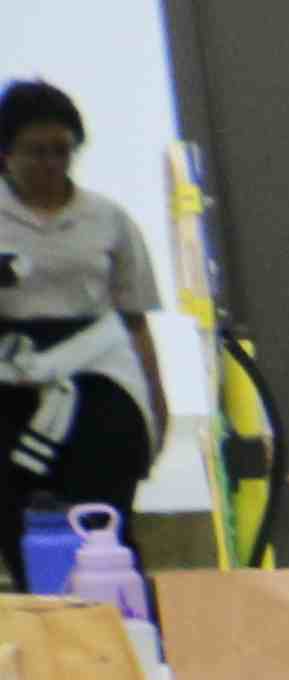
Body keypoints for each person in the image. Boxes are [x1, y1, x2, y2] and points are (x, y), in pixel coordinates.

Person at [0, 81, 170, 568]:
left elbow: (135, 319)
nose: (50, 163)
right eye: (35, 151)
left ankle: (124, 630)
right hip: (13, 378)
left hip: (99, 377)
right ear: (6, 152)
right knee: (19, 527)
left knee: (104, 525)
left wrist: (157, 404)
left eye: (62, 151)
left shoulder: (108, 219)